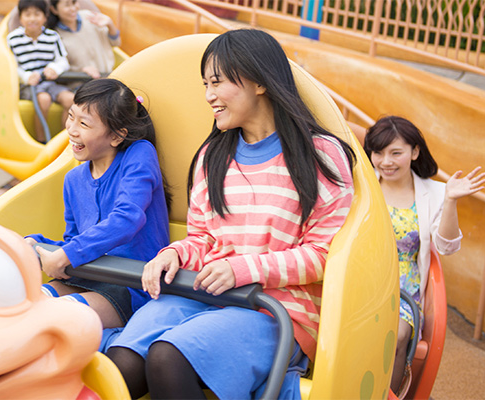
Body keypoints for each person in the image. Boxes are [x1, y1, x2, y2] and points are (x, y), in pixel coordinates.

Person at [105, 29, 357, 400]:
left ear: (257, 80)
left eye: (217, 82)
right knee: (122, 362)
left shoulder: (319, 155)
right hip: (206, 294)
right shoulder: (213, 155)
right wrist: (173, 255)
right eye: (205, 83)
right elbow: (203, 240)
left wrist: (242, 270)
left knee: (167, 358)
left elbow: (322, 254)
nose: (208, 95)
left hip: (276, 310)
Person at [25, 79, 170, 337]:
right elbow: (75, 241)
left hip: (131, 282)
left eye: (84, 124)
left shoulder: (139, 154)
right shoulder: (74, 179)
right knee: (25, 305)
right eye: (71, 117)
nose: (72, 130)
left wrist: (68, 253)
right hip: (88, 276)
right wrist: (36, 244)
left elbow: (127, 219)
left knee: (56, 318)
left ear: (116, 135)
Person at [364, 115, 485, 395]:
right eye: (378, 152)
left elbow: (447, 247)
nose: (386, 161)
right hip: (362, 276)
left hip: (402, 287)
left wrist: (451, 201)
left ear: (414, 152)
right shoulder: (363, 184)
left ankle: (387, 395)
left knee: (398, 334)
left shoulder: (435, 192)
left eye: (396, 152)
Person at [7, 0, 75, 142]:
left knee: (71, 100)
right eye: (28, 14)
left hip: (50, 83)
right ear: (21, 18)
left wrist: (54, 69)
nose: (32, 18)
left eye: (37, 14)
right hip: (29, 86)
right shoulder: (13, 39)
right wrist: (26, 77)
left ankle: (65, 142)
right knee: (43, 100)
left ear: (45, 17)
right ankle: (42, 141)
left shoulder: (52, 37)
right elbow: (11, 66)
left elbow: (63, 61)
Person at [46, 0, 121, 81]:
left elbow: (116, 42)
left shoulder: (90, 16)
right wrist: (81, 70)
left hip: (109, 78)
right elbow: (59, 67)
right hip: (81, 84)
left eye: (74, 2)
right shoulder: (54, 35)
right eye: (67, 5)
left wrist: (110, 25)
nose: (73, 8)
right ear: (54, 9)